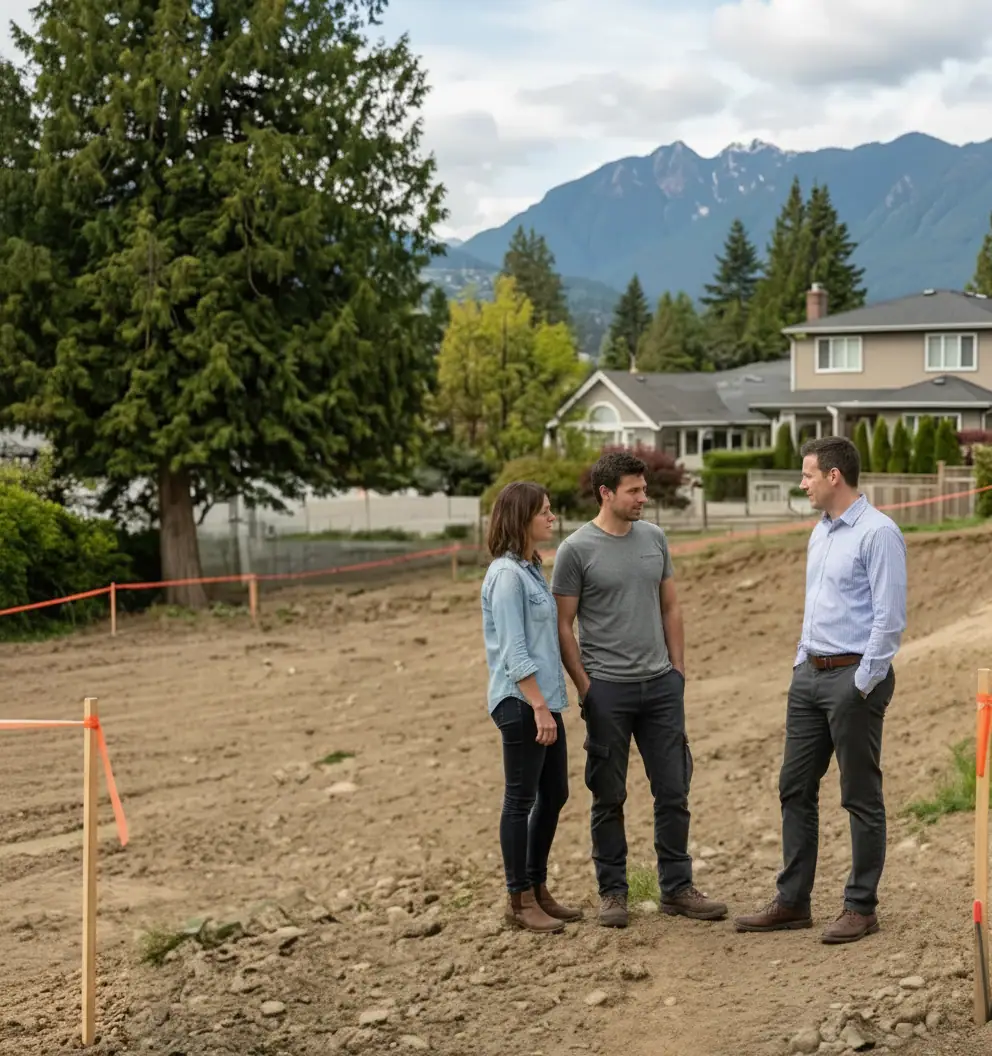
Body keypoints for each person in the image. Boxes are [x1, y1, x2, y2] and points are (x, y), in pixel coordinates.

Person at [734, 435, 907, 944]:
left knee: (859, 795)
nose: (802, 483)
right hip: (809, 675)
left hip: (853, 679)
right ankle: (793, 902)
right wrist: (800, 663)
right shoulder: (821, 531)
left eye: (808, 474)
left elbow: (889, 619)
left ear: (834, 476)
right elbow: (817, 606)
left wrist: (862, 682)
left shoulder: (879, 533)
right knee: (794, 786)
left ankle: (861, 907)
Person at [550, 450, 727, 928]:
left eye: (644, 489)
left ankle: (678, 888)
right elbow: (563, 625)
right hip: (608, 690)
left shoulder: (655, 538)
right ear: (606, 493)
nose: (643, 498)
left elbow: (671, 606)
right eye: (634, 491)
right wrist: (586, 687)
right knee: (608, 795)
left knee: (674, 790)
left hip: (661, 687)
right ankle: (613, 893)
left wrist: (678, 670)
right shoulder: (575, 550)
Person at [480, 480, 583, 934]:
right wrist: (539, 707)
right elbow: (514, 650)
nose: (552, 517)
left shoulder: (530, 569)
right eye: (544, 511)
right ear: (521, 517)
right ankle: (519, 899)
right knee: (520, 800)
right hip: (522, 702)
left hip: (542, 701)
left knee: (555, 793)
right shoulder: (506, 576)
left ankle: (538, 888)